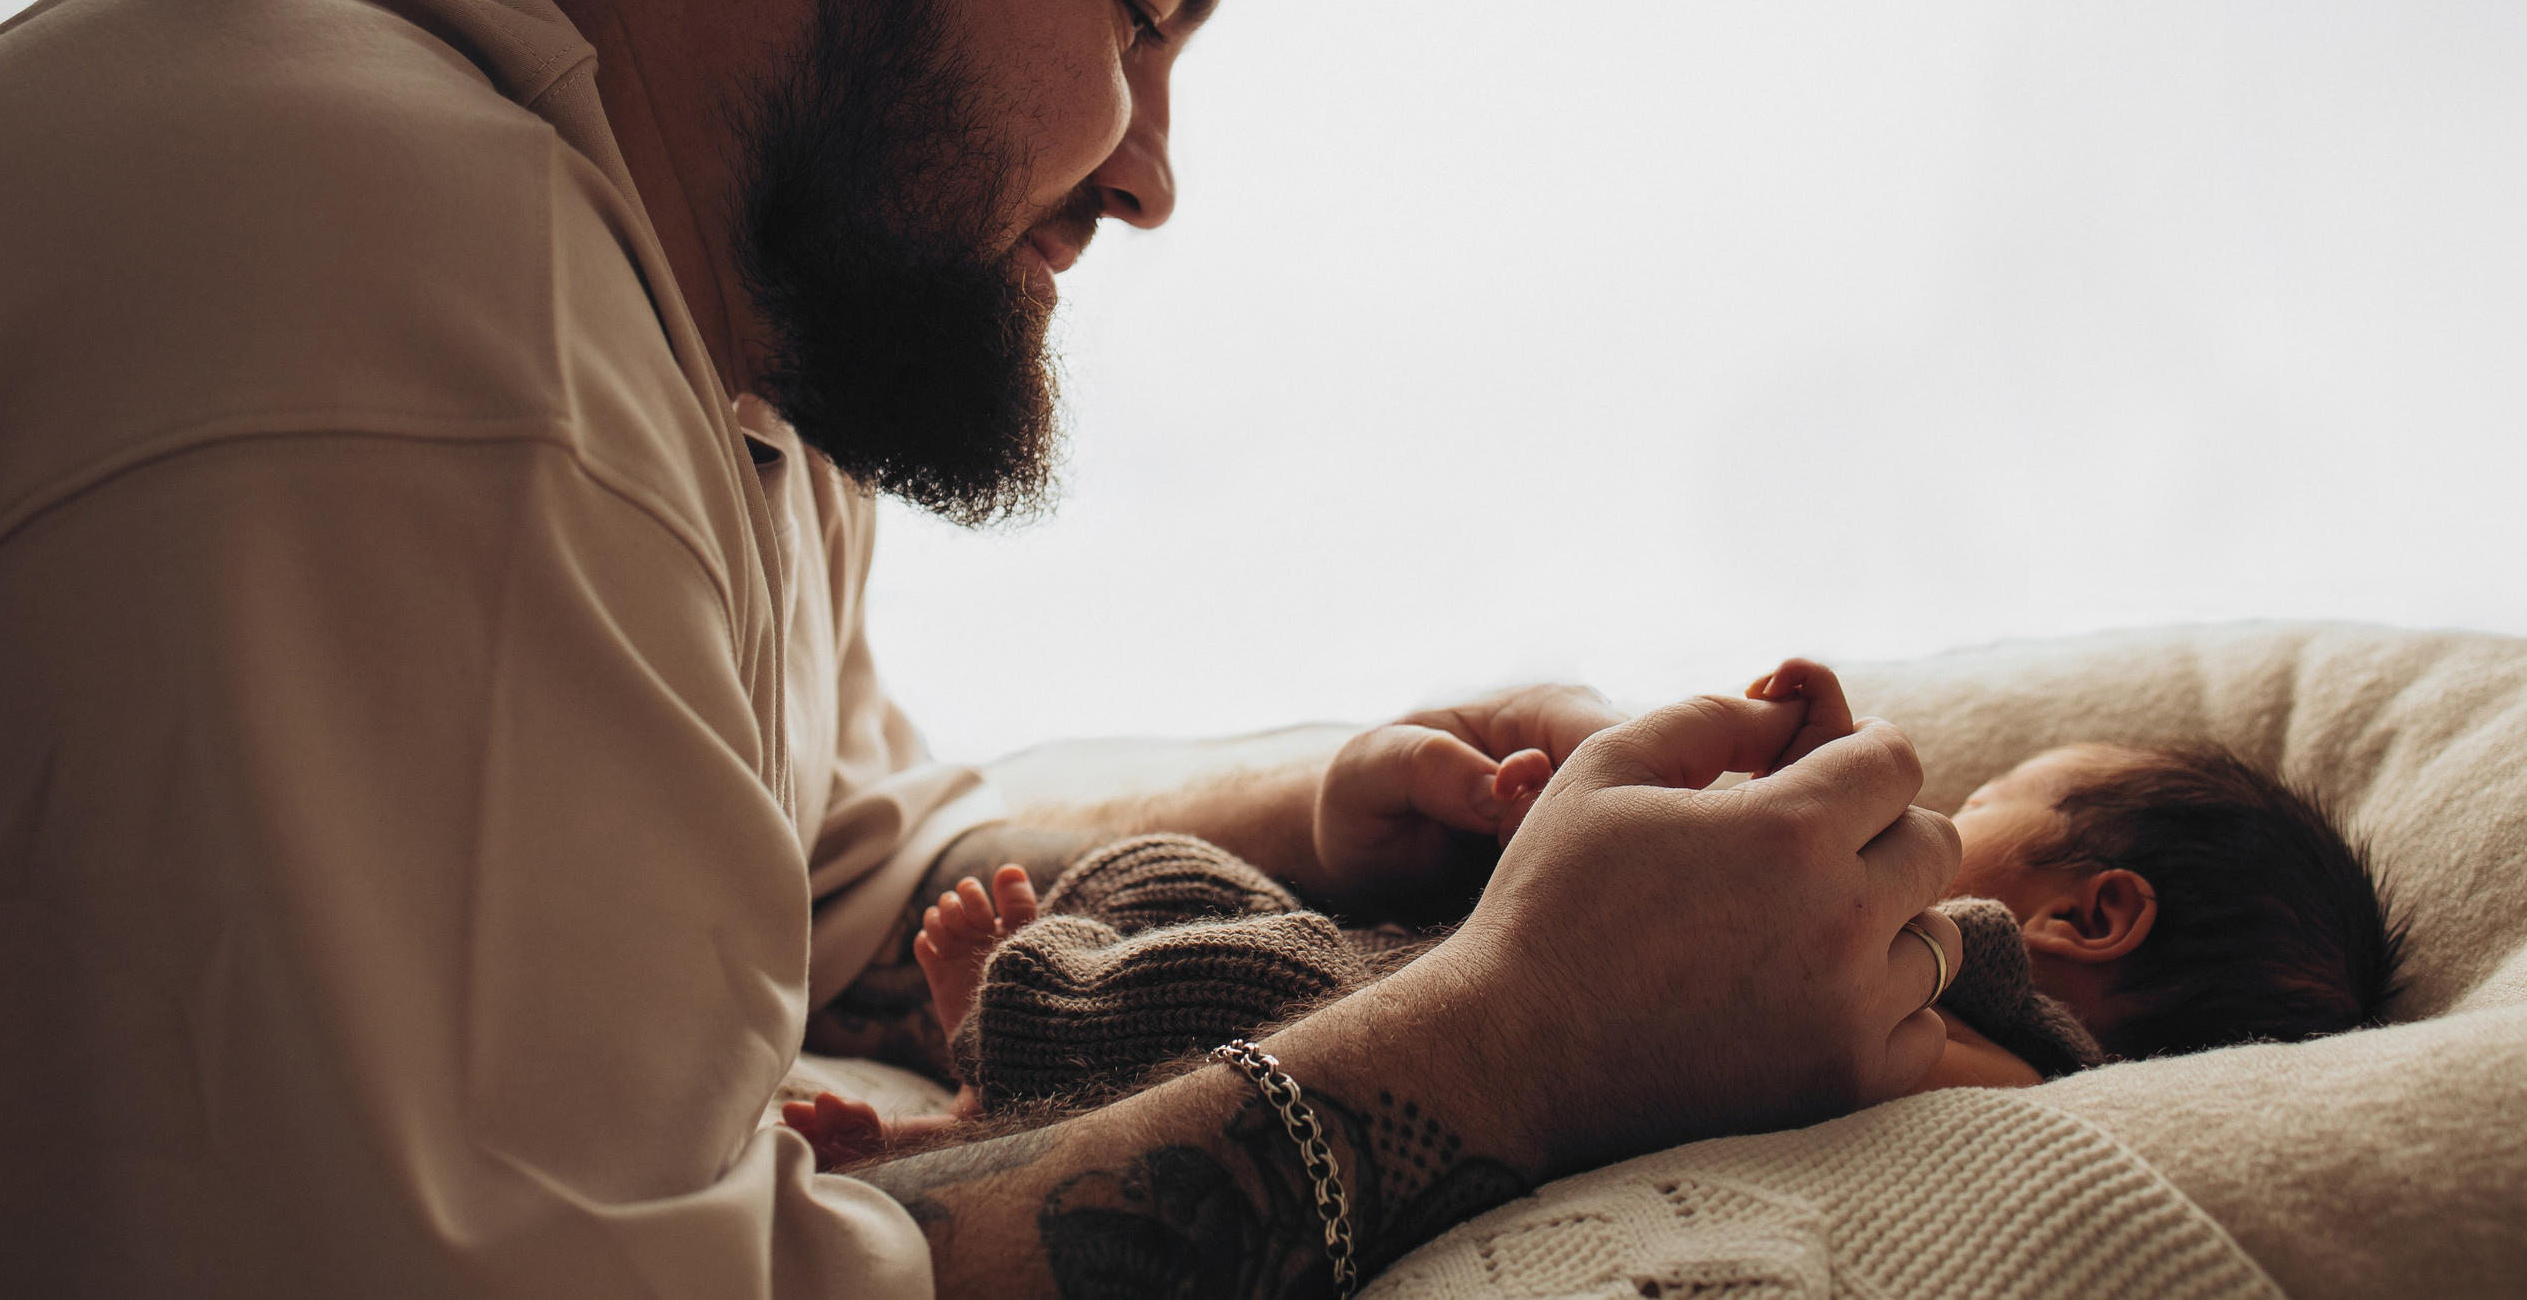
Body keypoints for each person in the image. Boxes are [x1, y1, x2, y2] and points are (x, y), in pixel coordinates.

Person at [0, 0, 1965, 1297]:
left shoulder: (705, 338)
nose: (1154, 174)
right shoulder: (443, 314)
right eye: (1131, 5)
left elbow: (834, 866)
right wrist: (1527, 1035)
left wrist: (1343, 811)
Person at [822, 660, 2401, 1150]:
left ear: (2092, 917)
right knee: (1194, 897)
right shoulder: (1966, 982)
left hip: (1411, 1022)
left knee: (1238, 983)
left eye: (1982, 816)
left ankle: (988, 1083)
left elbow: (1921, 1049)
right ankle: (978, 1097)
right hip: (1433, 958)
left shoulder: (2027, 1051)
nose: (1938, 826)